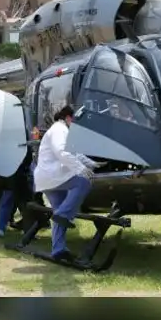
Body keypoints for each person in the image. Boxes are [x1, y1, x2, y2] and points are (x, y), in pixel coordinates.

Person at [33, 105, 104, 262]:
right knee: (83, 183)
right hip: (53, 176)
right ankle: (63, 216)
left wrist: (94, 164)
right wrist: (82, 169)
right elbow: (62, 152)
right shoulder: (60, 129)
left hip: (50, 178)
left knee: (60, 211)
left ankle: (58, 250)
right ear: (68, 117)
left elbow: (75, 153)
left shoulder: (62, 130)